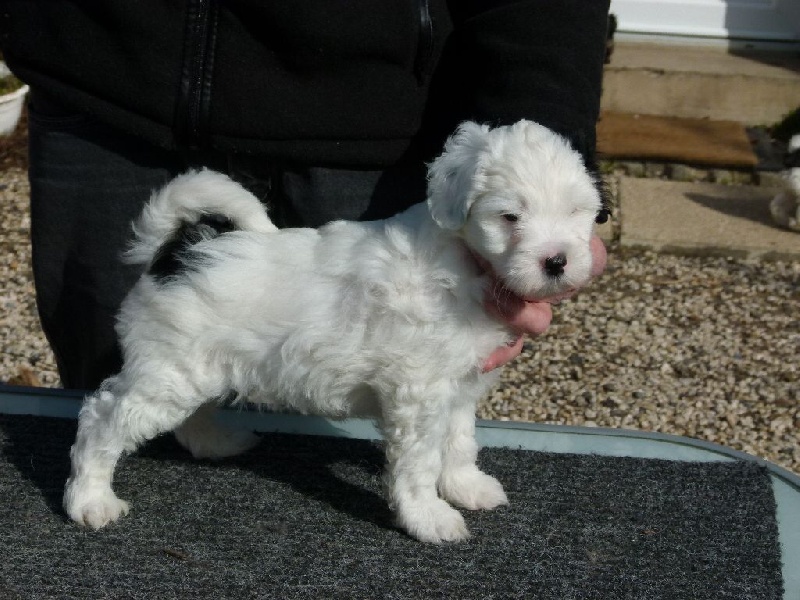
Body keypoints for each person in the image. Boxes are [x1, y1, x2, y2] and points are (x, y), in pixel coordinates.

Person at [0, 0, 611, 390]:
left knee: (385, 395)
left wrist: (539, 155)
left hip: (374, 124)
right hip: (106, 91)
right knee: (133, 382)